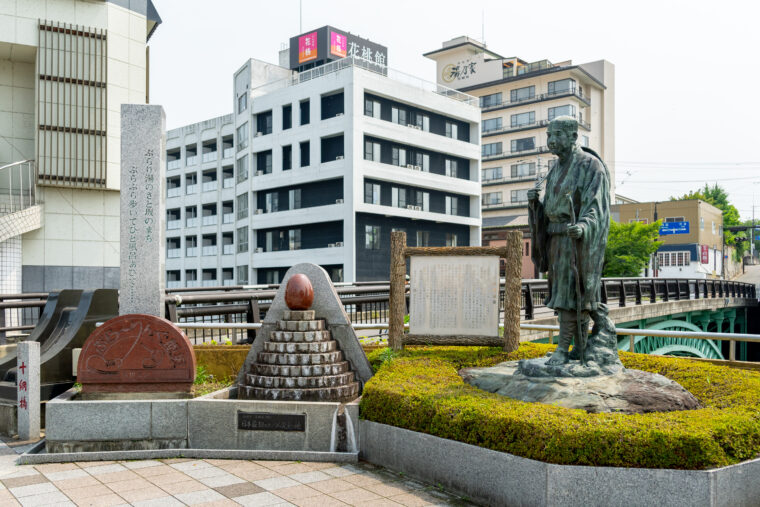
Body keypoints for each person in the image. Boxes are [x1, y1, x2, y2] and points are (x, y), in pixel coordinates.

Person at [527, 116, 610, 365]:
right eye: (549, 136)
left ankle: (564, 350)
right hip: (556, 241)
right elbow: (551, 210)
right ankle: (580, 348)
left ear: (574, 136)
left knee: (573, 296)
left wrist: (584, 226)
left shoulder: (590, 165)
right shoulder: (555, 169)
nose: (552, 141)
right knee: (569, 296)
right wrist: (535, 204)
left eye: (558, 135)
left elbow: (596, 206)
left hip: (576, 242)